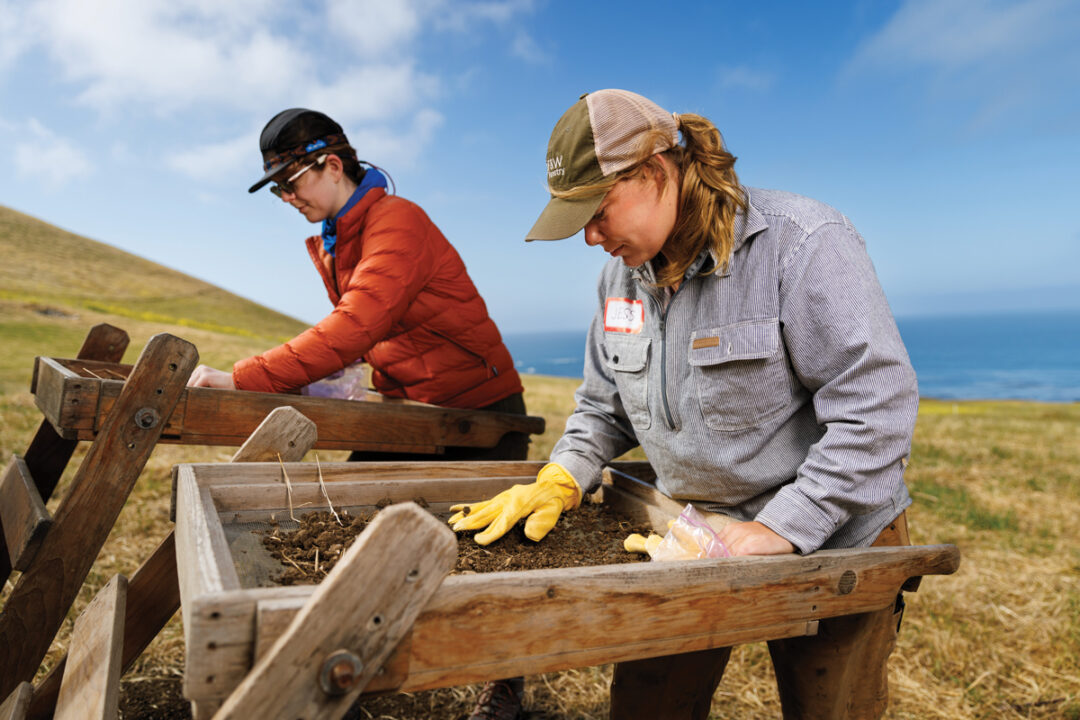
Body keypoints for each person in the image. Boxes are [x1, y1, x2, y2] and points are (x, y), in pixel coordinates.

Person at [449, 89, 918, 719]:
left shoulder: (803, 245)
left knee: (831, 708)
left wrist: (781, 528)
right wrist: (563, 476)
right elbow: (603, 402)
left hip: (838, 538)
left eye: (597, 211)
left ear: (655, 171)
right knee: (649, 706)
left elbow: (877, 408)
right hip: (693, 536)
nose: (589, 237)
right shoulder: (620, 277)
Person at [187, 109, 527, 448]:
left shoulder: (397, 220)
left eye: (290, 182)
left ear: (333, 167)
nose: (287, 198)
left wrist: (244, 379)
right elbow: (371, 331)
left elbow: (355, 325)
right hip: (415, 414)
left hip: (481, 418)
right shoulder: (336, 243)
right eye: (278, 190)